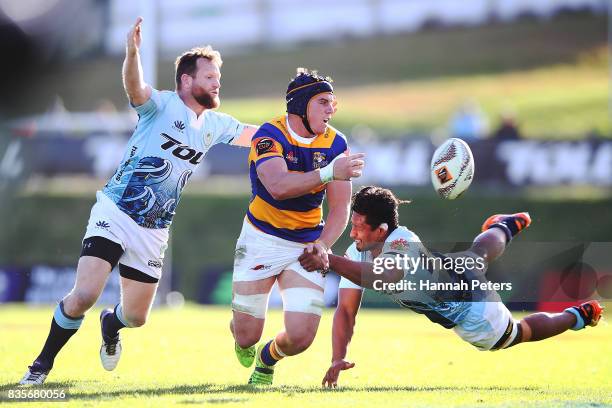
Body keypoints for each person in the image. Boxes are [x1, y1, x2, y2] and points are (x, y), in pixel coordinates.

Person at [19, 17, 258, 385]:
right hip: (115, 211)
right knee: (84, 294)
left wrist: (299, 130)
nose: (216, 82)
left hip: (154, 230)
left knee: (136, 317)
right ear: (186, 81)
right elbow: (135, 88)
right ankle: (40, 366)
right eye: (209, 77)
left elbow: (258, 136)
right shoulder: (161, 105)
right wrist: (132, 53)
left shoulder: (215, 124)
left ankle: (110, 324)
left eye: (217, 78)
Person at [299, 186, 604, 388]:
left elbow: (385, 276)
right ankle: (506, 225)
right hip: (453, 269)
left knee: (515, 334)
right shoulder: (359, 250)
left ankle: (577, 316)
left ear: (381, 231)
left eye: (357, 227)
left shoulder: (402, 242)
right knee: (477, 255)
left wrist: (330, 260)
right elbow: (347, 311)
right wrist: (338, 355)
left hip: (470, 306)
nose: (352, 233)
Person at [230, 68, 366, 385]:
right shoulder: (268, 135)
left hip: (305, 244)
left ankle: (267, 360)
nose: (331, 109)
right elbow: (277, 185)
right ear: (301, 104)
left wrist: (323, 244)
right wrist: (329, 173)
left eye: (333, 102)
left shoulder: (336, 143)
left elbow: (340, 207)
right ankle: (241, 333)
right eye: (323, 101)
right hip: (260, 239)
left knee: (301, 337)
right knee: (246, 335)